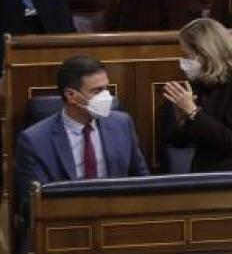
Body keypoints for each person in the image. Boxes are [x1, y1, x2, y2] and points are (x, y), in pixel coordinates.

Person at [14, 56, 148, 189]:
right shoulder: (34, 140)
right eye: (97, 91)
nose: (106, 97)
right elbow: (33, 202)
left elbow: (143, 181)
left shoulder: (122, 124)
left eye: (106, 89)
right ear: (71, 95)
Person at [164, 18, 232, 172]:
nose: (184, 62)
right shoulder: (198, 83)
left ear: (205, 53)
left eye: (187, 55)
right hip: (203, 171)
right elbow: (179, 142)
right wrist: (181, 119)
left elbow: (231, 140)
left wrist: (194, 112)